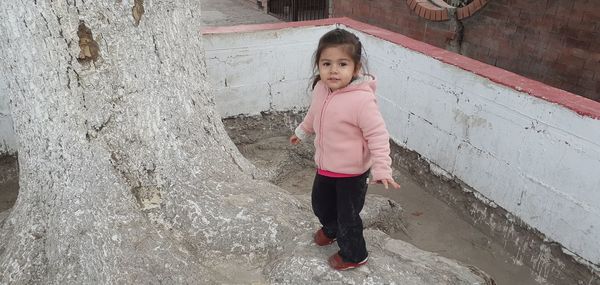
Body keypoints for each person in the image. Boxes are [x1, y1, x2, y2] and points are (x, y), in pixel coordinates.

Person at [289, 28, 401, 271]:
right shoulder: (321, 89)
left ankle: (354, 254)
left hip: (351, 174)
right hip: (325, 167)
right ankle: (331, 229)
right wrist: (302, 131)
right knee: (320, 204)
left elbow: (378, 136)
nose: (333, 70)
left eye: (342, 64)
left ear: (356, 68)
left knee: (348, 217)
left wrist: (382, 168)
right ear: (318, 65)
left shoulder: (361, 101)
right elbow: (314, 114)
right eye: (326, 63)